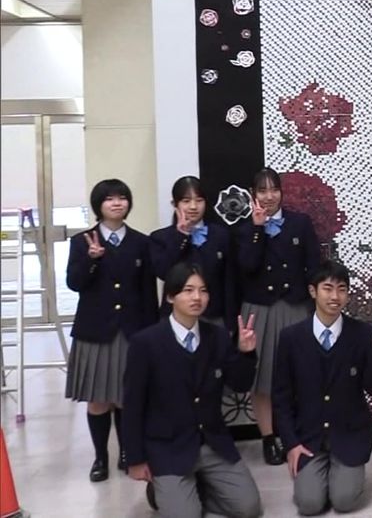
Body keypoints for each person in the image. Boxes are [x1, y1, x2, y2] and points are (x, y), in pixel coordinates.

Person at [123, 262, 264, 517]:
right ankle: (162, 491)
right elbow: (132, 405)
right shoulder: (145, 344)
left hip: (212, 442)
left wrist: (246, 352)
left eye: (203, 290)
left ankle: (196, 487)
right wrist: (135, 459)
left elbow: (240, 384)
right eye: (188, 290)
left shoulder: (217, 336)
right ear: (170, 296)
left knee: (249, 508)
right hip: (169, 447)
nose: (197, 297)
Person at [273, 261, 372, 515]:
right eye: (328, 288)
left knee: (344, 501)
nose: (335, 296)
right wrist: (291, 445)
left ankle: (344, 474)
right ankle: (317, 473)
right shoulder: (291, 338)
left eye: (342, 289)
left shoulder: (363, 334)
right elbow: (281, 398)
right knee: (309, 504)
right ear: (312, 291)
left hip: (349, 435)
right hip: (307, 437)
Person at [64, 178, 157, 482]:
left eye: (122, 198)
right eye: (109, 199)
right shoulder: (82, 242)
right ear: (98, 206)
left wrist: (152, 332)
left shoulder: (141, 242)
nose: (117, 203)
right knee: (98, 398)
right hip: (96, 330)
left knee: (126, 396)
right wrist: (91, 262)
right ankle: (100, 457)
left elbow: (147, 293)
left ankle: (128, 452)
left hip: (132, 330)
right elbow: (74, 284)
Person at [237, 167, 321, 465]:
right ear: (253, 195)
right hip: (259, 310)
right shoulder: (245, 229)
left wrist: (317, 307)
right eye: (262, 190)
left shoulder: (300, 223)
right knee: (263, 379)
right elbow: (246, 268)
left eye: (274, 189)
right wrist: (258, 229)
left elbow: (315, 266)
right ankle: (269, 438)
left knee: (300, 375)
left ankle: (297, 433)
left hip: (296, 306)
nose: (269, 196)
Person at [149, 176, 238, 328]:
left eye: (199, 200)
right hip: (175, 319)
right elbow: (163, 272)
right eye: (186, 201)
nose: (193, 206)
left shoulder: (221, 235)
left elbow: (230, 282)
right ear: (174, 204)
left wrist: (231, 323)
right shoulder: (160, 237)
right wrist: (181, 237)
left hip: (214, 317)